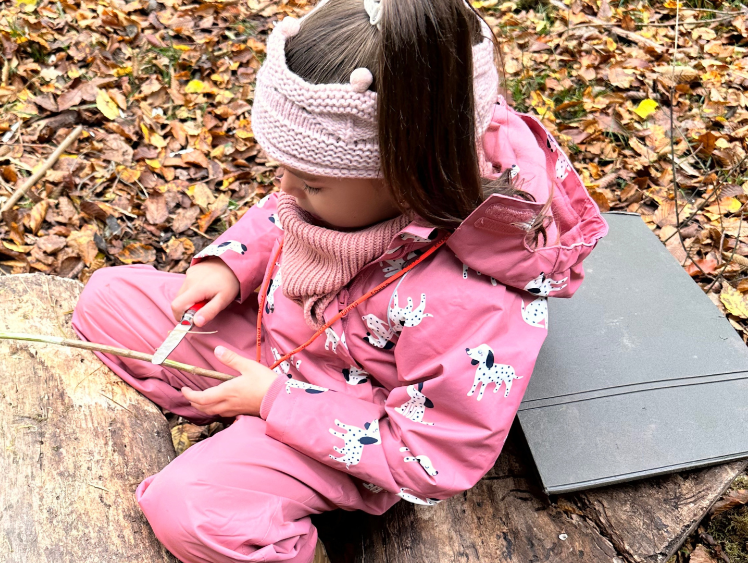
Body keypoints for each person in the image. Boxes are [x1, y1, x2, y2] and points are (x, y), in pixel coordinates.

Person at [72, 0, 608, 560]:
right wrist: (231, 263)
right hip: (274, 343)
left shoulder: (475, 300)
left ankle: (274, 497)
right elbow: (284, 214)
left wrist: (277, 403)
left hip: (349, 423)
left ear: (409, 178)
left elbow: (434, 455)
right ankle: (227, 422)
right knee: (105, 300)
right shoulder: (356, 181)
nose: (284, 187)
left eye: (309, 182)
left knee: (192, 511)